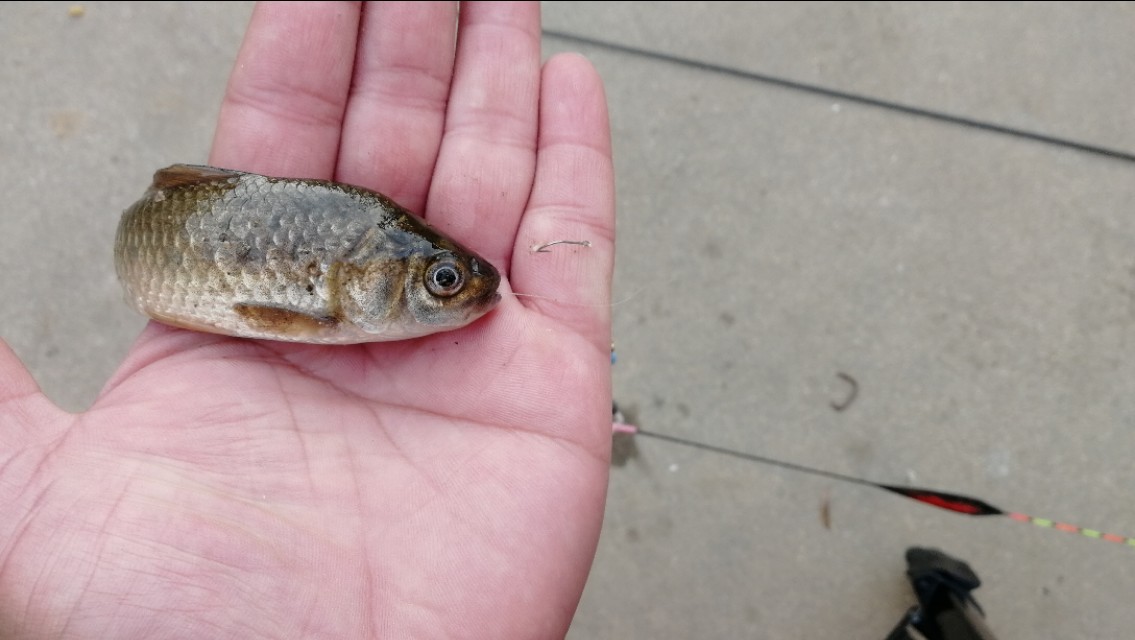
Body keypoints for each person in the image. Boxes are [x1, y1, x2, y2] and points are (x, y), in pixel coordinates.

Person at [0, 2, 614, 637]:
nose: (462, 294)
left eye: (445, 279)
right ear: (367, 273)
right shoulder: (347, 259)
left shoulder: (369, 243)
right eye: (444, 280)